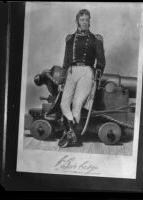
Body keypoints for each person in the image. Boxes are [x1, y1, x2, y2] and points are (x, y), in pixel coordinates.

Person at [58, 9, 106, 148]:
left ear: (90, 21)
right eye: (82, 19)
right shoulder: (70, 39)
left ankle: (69, 135)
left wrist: (97, 77)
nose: (84, 22)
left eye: (87, 20)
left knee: (77, 105)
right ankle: (70, 134)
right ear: (77, 21)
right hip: (71, 72)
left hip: (87, 72)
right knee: (64, 104)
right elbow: (66, 62)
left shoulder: (96, 39)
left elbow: (101, 62)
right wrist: (62, 80)